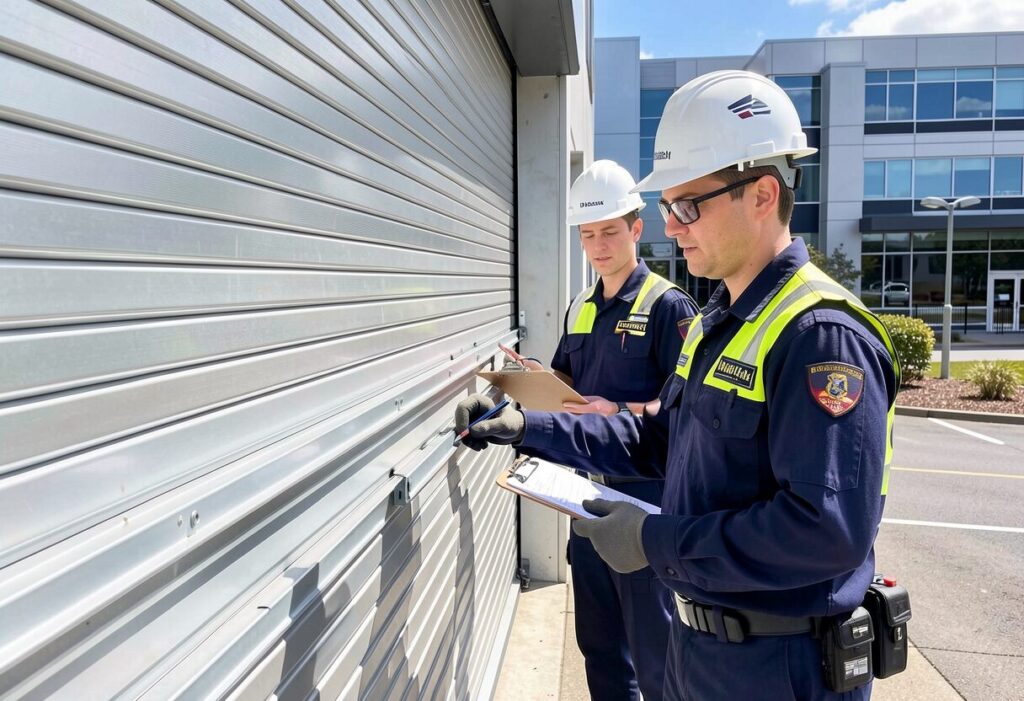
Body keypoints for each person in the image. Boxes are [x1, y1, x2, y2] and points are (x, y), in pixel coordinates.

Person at [457, 70, 900, 700]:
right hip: (708, 650)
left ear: (763, 194)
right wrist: (532, 426)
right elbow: (658, 439)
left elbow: (824, 531)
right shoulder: (719, 324)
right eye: (668, 207)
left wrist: (654, 539)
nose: (671, 226)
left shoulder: (820, 338)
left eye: (688, 206)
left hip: (781, 666)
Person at [500, 160, 699, 701]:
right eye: (588, 234)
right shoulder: (581, 309)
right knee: (600, 647)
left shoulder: (669, 307)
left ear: (636, 230)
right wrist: (530, 380)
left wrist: (619, 408)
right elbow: (568, 385)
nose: (598, 245)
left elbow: (685, 406)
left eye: (609, 231)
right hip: (586, 501)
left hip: (645, 507)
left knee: (655, 654)